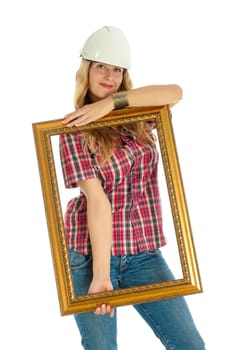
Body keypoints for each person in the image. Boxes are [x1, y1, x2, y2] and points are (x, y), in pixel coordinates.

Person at [60, 26, 205, 350]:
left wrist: (112, 104)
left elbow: (175, 92)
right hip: (90, 256)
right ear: (87, 69)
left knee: (190, 345)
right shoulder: (72, 130)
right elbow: (97, 201)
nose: (109, 75)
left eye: (117, 69)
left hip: (143, 255)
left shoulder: (139, 117)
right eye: (101, 66)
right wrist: (100, 276)